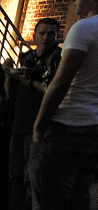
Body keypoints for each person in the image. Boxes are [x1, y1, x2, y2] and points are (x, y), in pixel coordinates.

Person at [29, 0, 98, 210]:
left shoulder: (83, 29)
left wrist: (40, 123)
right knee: (79, 197)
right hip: (94, 129)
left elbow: (62, 81)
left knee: (48, 198)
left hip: (65, 126)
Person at [6, 18, 62, 210]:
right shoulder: (27, 57)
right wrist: (9, 75)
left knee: (32, 177)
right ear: (34, 36)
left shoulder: (57, 58)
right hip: (19, 123)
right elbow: (12, 91)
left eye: (51, 34)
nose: (46, 37)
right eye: (42, 33)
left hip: (40, 124)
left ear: (57, 36)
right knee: (15, 174)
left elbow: (54, 90)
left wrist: (28, 80)